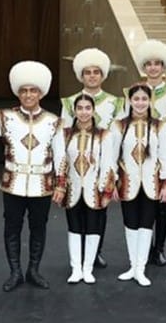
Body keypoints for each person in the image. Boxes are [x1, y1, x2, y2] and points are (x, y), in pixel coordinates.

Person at [0, 61, 63, 292]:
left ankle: (33, 270)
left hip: (42, 186)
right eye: (24, 90)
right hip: (13, 185)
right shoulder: (5, 117)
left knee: (38, 228)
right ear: (18, 92)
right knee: (12, 228)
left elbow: (61, 157)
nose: (28, 95)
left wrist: (61, 185)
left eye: (33, 90)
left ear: (41, 92)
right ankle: (15, 272)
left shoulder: (54, 122)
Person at [104, 84, 166, 287]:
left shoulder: (161, 126)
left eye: (144, 99)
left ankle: (141, 269)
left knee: (146, 225)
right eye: (136, 99)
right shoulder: (119, 126)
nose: (140, 103)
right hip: (127, 183)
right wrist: (113, 182)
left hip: (152, 184)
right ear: (130, 101)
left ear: (150, 101)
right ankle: (132, 266)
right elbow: (112, 157)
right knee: (130, 223)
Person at [61, 47, 124, 269]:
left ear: (103, 74)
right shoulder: (69, 102)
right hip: (76, 166)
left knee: (99, 210)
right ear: (81, 75)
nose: (92, 76)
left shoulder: (116, 102)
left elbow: (117, 139)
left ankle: (95, 252)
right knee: (76, 208)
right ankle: (78, 255)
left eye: (96, 72)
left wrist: (113, 174)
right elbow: (63, 138)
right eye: (87, 72)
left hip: (102, 165)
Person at [54, 94, 109, 285]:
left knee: (94, 229)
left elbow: (107, 163)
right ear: (74, 111)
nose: (84, 112)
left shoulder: (104, 134)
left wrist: (105, 189)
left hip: (94, 190)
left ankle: (88, 268)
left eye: (87, 108)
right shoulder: (65, 134)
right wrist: (60, 185)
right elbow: (61, 161)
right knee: (74, 228)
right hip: (73, 189)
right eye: (80, 108)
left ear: (93, 110)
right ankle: (76, 268)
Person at [134, 39, 166, 266]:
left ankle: (158, 248)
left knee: (161, 205)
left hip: (165, 157)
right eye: (149, 64)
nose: (153, 68)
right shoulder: (132, 92)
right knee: (141, 204)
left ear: (164, 67)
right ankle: (140, 248)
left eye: (157, 64)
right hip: (138, 158)